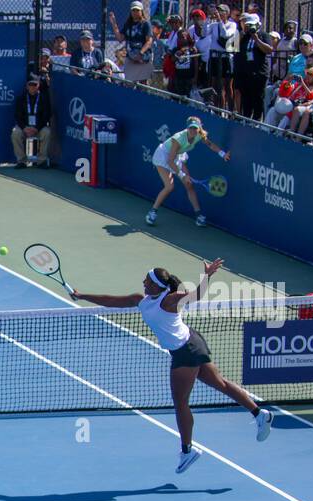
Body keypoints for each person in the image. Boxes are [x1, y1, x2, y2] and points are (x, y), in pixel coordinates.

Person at [72, 261, 274, 474]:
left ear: (158, 285)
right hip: (192, 343)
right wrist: (83, 295)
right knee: (220, 384)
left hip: (185, 352)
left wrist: (206, 276)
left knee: (181, 403)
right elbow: (111, 301)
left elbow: (196, 295)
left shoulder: (169, 300)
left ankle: (187, 451)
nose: (143, 282)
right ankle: (260, 414)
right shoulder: (140, 300)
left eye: (147, 281)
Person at [146, 116, 230, 227]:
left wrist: (223, 154)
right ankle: (152, 212)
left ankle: (199, 216)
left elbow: (210, 144)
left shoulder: (199, 135)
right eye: (191, 128)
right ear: (187, 128)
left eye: (195, 128)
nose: (193, 130)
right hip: (164, 156)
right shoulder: (179, 138)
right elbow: (170, 161)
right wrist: (182, 174)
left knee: (189, 184)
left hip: (177, 155)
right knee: (169, 187)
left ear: (199, 128)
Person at [234, 13, 276, 117]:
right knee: (246, 98)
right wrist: (240, 35)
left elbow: (269, 50)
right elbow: (233, 48)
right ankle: (246, 118)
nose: (250, 27)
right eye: (248, 25)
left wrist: (257, 39)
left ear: (258, 25)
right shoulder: (244, 36)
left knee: (257, 97)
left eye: (252, 25)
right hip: (245, 73)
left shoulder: (263, 35)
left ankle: (257, 119)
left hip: (259, 73)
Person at [11, 75, 52, 167]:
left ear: (38, 86)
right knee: (15, 133)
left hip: (38, 128)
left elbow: (46, 116)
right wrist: (24, 128)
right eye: (31, 85)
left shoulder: (44, 98)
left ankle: (42, 161)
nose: (33, 87)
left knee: (47, 132)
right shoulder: (21, 99)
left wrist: (37, 128)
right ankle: (21, 161)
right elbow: (17, 116)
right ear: (27, 86)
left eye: (35, 85)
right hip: (25, 127)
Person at [110, 2, 155, 83]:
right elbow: (120, 38)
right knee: (129, 83)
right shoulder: (128, 24)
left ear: (141, 11)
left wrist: (140, 53)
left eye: (137, 10)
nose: (135, 12)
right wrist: (114, 23)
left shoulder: (145, 24)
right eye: (133, 10)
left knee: (143, 84)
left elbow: (149, 41)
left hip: (143, 57)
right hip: (131, 57)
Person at [208, 4, 240, 107]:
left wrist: (220, 22)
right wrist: (208, 20)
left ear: (227, 13)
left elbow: (225, 34)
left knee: (227, 86)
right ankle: (216, 108)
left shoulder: (232, 24)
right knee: (216, 85)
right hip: (215, 56)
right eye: (218, 11)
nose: (219, 13)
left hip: (226, 57)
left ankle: (229, 110)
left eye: (222, 11)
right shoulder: (214, 25)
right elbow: (203, 33)